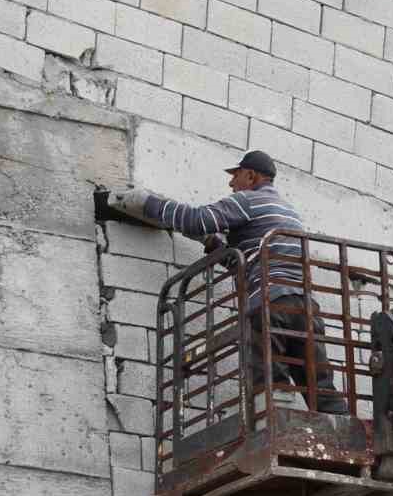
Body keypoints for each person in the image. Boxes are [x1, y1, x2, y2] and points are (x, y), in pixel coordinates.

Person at [104, 151, 350, 414]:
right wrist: (213, 245)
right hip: (305, 308)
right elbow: (248, 262)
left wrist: (148, 203)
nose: (231, 184)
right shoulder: (288, 212)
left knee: (270, 383)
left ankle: (274, 428)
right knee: (319, 386)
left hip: (270, 304)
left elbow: (196, 220)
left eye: (235, 177)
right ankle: (345, 435)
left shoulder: (248, 201)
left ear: (251, 176)